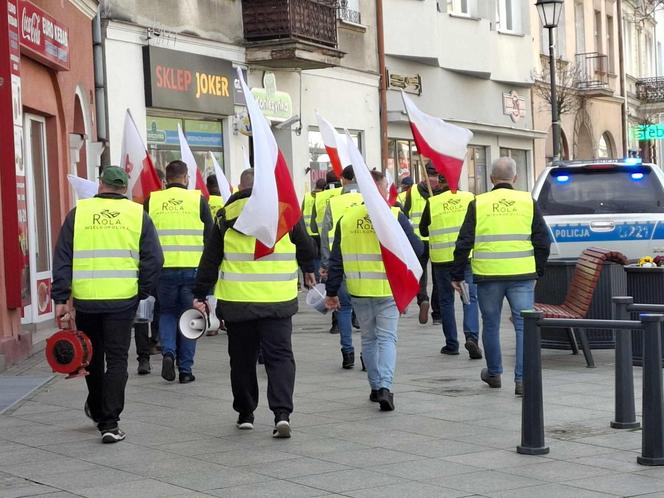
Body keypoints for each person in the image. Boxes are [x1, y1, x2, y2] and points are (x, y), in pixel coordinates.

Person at [192, 168, 316, 438]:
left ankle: (245, 413)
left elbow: (211, 259)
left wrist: (201, 293)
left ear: (239, 186)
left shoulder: (225, 216)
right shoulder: (285, 212)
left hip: (238, 302)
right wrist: (307, 265)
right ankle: (282, 414)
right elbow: (309, 249)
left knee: (242, 359)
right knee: (280, 357)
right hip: (278, 301)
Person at [52, 166, 163, 443]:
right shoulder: (138, 215)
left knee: (91, 357)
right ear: (124, 188)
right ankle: (110, 424)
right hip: (122, 300)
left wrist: (61, 298)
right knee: (116, 360)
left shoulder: (78, 214)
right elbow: (154, 259)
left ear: (100, 184)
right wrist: (142, 291)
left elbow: (62, 257)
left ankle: (100, 411)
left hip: (87, 300)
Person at [451, 157, 550, 396]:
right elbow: (542, 240)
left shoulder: (479, 203)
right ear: (514, 178)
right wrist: (538, 270)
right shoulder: (528, 201)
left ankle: (494, 373)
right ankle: (523, 380)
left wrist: (456, 274)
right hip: (522, 274)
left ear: (492, 178)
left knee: (491, 324)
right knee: (523, 326)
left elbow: (464, 240)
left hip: (488, 275)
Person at [325, 170, 422, 411]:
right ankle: (386, 388)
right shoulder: (394, 215)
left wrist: (331, 291)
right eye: (386, 185)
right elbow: (418, 248)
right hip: (387, 289)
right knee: (387, 339)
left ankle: (375, 386)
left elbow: (336, 259)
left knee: (368, 339)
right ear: (380, 187)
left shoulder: (346, 218)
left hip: (358, 289)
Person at [146, 160, 213, 384]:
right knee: (190, 316)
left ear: (166, 180)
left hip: (162, 270)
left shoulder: (152, 200)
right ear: (186, 178)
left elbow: (143, 238)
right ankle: (185, 370)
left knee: (166, 312)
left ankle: (168, 352)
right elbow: (210, 238)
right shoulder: (198, 200)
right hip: (192, 269)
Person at [420, 176, 482, 359]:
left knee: (446, 301)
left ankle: (451, 344)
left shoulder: (433, 202)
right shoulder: (470, 197)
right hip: (465, 259)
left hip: (442, 261)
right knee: (469, 298)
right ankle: (472, 336)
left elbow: (423, 230)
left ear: (439, 182)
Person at [320, 166, 363, 369]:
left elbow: (325, 234)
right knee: (366, 312)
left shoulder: (334, 202)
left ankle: (348, 353)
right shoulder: (370, 200)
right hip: (368, 265)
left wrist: (327, 265)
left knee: (343, 308)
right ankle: (367, 354)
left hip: (342, 263)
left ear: (343, 180)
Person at [403, 163, 443, 325]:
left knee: (420, 274)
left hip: (418, 240)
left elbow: (405, 215)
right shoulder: (442, 191)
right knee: (438, 277)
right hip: (438, 240)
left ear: (423, 173)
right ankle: (438, 314)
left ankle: (422, 299)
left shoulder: (412, 191)